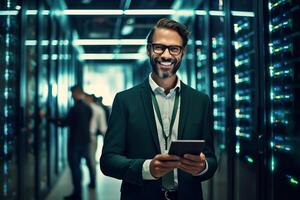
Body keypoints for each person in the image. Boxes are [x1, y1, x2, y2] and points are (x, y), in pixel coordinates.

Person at [100, 18, 217, 200]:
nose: (166, 55)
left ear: (182, 53)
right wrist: (147, 168)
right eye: (159, 47)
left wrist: (202, 167)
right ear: (149, 50)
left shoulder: (200, 101)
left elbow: (211, 159)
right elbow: (108, 161)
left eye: (174, 49)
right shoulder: (125, 100)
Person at [50, 85, 95, 200]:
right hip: (85, 141)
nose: (71, 96)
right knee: (88, 163)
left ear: (76, 93)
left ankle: (77, 193)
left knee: (75, 168)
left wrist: (51, 119)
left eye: (72, 94)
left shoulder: (74, 109)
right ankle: (92, 183)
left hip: (75, 143)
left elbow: (65, 123)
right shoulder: (88, 108)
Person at [85, 94, 108, 188]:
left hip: (90, 137)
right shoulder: (98, 109)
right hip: (91, 136)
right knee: (91, 160)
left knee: (90, 160)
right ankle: (92, 181)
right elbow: (103, 128)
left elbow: (103, 128)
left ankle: (93, 181)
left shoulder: (95, 109)